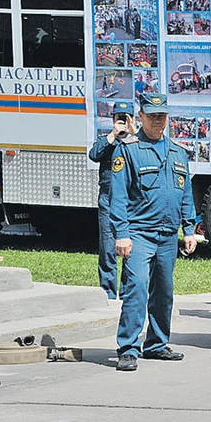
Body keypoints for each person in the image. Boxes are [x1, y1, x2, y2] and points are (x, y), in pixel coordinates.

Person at [109, 93, 197, 371]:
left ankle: (157, 344)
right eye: (152, 116)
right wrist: (121, 233)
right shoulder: (128, 150)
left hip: (169, 236)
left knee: (164, 293)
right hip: (138, 233)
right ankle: (128, 348)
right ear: (142, 117)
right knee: (135, 290)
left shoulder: (178, 152)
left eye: (162, 116)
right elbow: (119, 195)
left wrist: (190, 230)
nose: (158, 121)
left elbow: (186, 195)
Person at [89, 100, 135, 300]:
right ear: (112, 119)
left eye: (126, 118)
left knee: (130, 250)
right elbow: (94, 154)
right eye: (119, 118)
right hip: (108, 201)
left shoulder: (137, 141)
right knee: (107, 249)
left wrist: (133, 134)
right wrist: (113, 135)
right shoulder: (106, 140)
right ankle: (107, 292)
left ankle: (126, 292)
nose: (122, 122)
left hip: (131, 204)